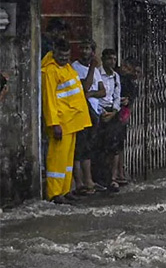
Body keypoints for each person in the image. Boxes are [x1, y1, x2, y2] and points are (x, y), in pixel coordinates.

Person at [41, 38, 92, 204]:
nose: (64, 59)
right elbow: (49, 100)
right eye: (61, 56)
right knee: (57, 159)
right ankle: (55, 193)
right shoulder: (50, 71)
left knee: (68, 160)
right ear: (54, 52)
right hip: (61, 123)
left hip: (73, 121)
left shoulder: (67, 67)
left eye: (66, 56)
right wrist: (54, 124)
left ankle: (65, 189)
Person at [71, 40, 106, 194]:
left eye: (88, 49)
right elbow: (84, 87)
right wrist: (92, 67)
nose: (85, 52)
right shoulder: (75, 68)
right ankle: (79, 183)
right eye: (83, 48)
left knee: (88, 149)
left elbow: (102, 91)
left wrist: (91, 93)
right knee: (80, 149)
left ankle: (89, 181)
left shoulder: (96, 71)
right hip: (80, 112)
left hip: (94, 112)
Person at [94, 49, 123, 192]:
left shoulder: (116, 76)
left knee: (114, 146)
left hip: (112, 112)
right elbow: (94, 95)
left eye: (114, 59)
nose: (112, 62)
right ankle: (100, 179)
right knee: (99, 147)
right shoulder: (97, 74)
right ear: (103, 59)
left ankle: (113, 179)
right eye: (109, 59)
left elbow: (117, 96)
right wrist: (102, 112)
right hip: (100, 111)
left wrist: (114, 111)